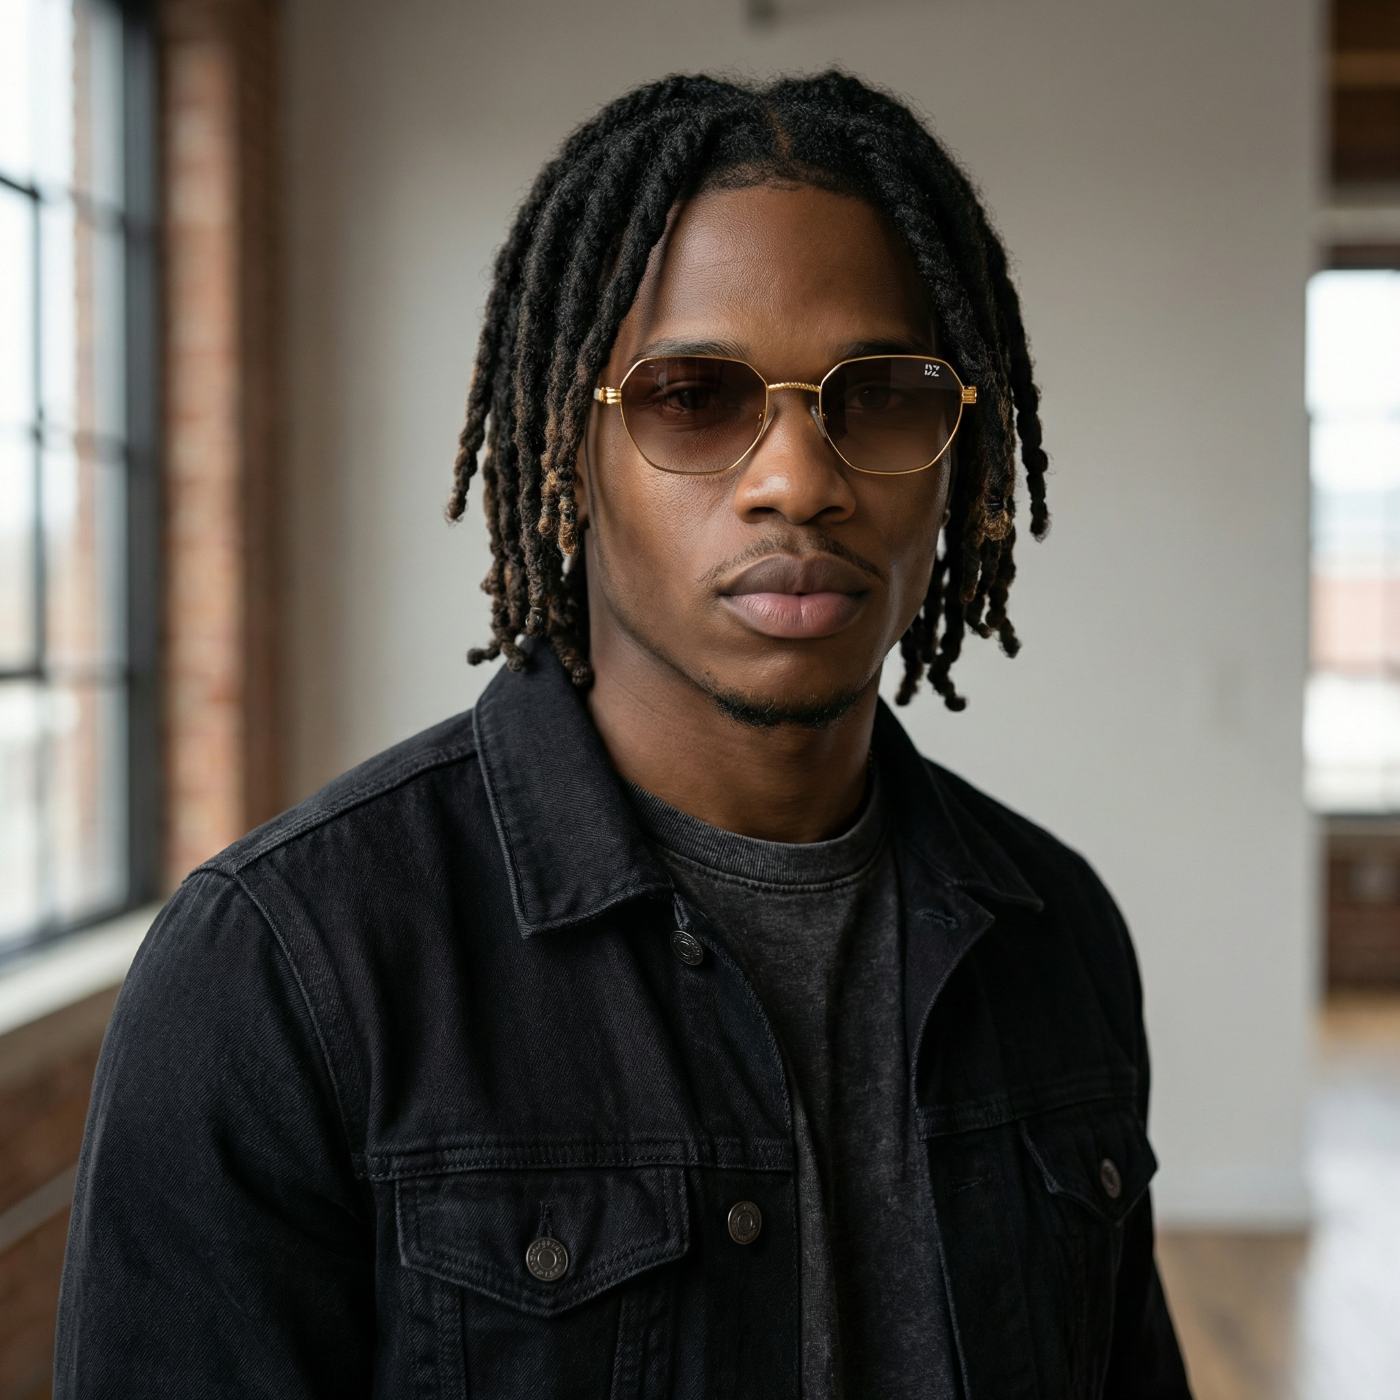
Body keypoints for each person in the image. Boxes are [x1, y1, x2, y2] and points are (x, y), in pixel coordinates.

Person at [56, 72, 1191, 1399]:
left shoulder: (1057, 935)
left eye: (878, 392)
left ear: (956, 455)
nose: (799, 480)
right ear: (566, 445)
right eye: (694, 396)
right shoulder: (283, 969)